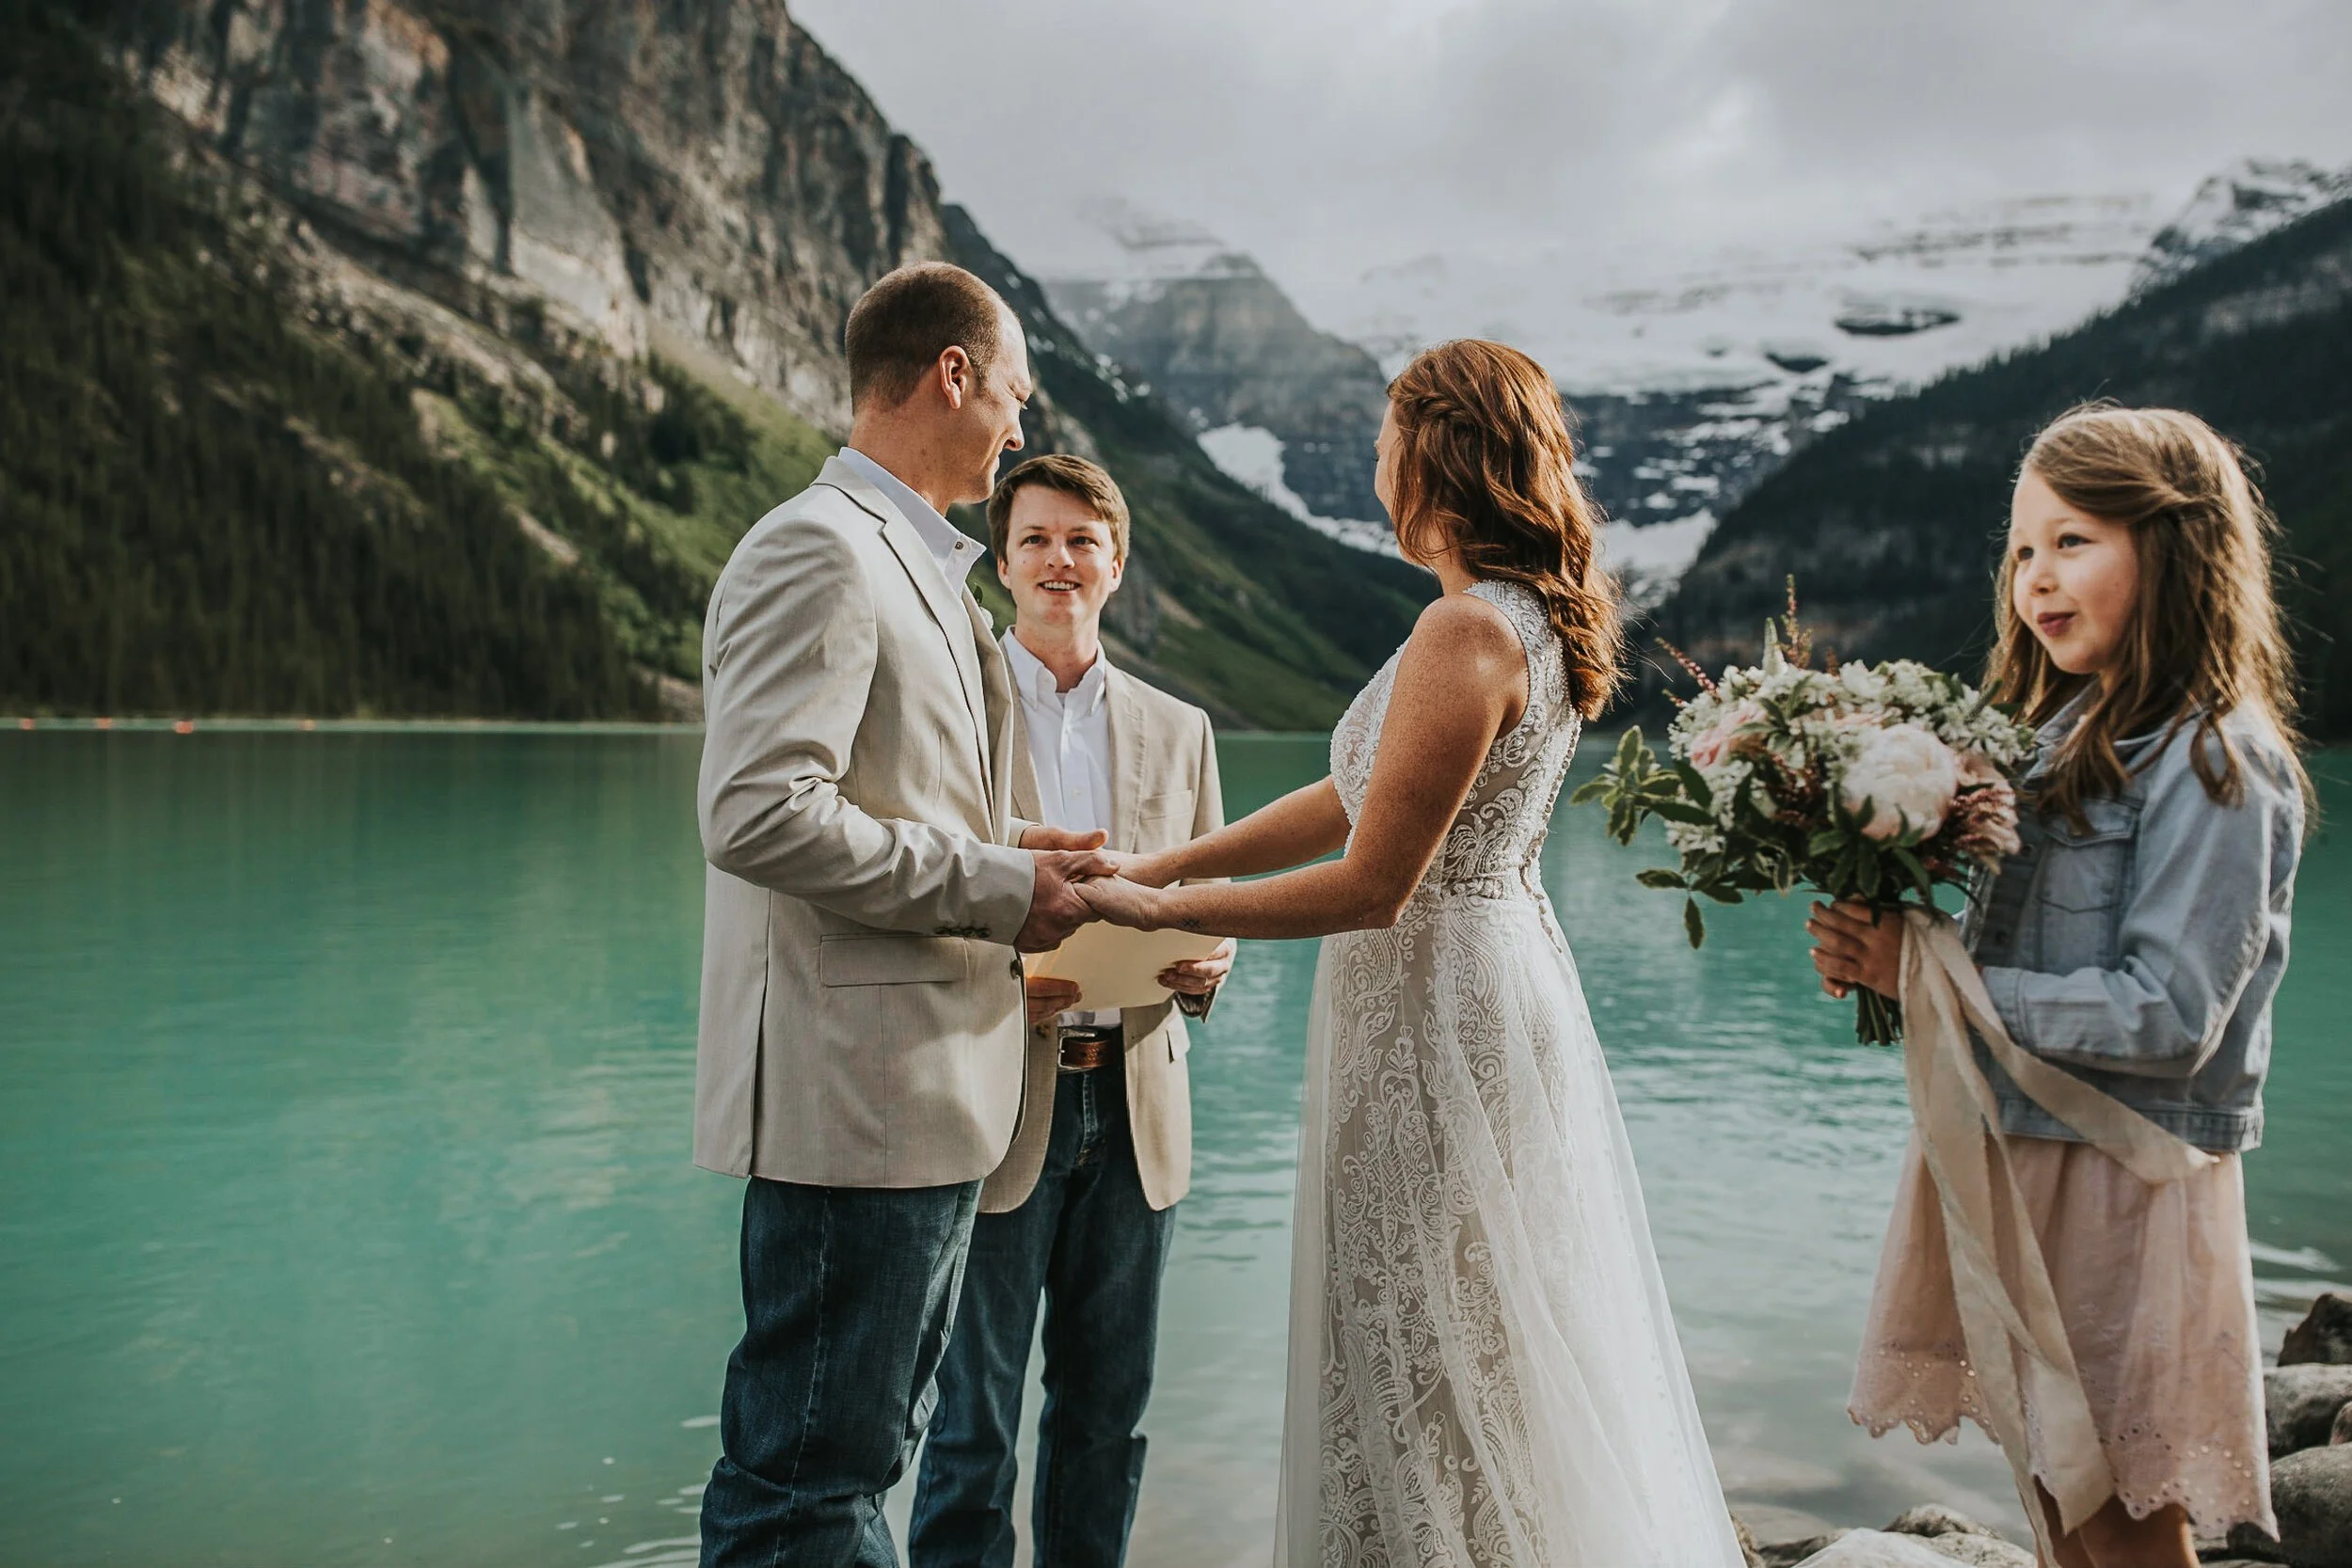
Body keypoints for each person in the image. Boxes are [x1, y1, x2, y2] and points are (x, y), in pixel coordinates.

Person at [1079, 341, 1745, 1565]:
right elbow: (1350, 798)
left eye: (1387, 444)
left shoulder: (1464, 631)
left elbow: (1376, 883)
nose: (1374, 468)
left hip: (1438, 1001)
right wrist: (1170, 863)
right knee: (1467, 1326)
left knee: (1425, 1334)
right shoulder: (1519, 619)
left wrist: (1168, 918)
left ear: (1435, 455)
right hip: (1480, 976)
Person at [1809, 404, 2309, 1568]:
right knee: (2057, 1501)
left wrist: (1933, 977)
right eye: (2023, 548)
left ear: (2177, 550)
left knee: (2124, 1517)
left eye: (2073, 540)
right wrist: (1888, 950)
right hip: (2024, 1144)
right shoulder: (2052, 741)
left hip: (2124, 1173)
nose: (2035, 575)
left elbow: (2170, 1015)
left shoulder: (2214, 758)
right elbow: (2001, 963)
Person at [691, 261, 1117, 1568]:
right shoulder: (815, 544)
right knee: (808, 1488)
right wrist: (1003, 886)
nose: (1015, 425)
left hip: (922, 1102)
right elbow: (760, 812)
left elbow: (902, 800)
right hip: (851, 1110)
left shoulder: (922, 565)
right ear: (954, 374)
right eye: (1015, 392)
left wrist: (1019, 849)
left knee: (854, 1464)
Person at [909, 453, 1235, 1568]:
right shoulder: (947, 708)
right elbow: (916, 887)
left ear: (1116, 561)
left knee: (1107, 1415)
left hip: (1138, 1101)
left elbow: (1201, 902)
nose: (1060, 559)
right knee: (971, 1425)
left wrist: (1209, 962)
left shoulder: (1181, 726)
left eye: (1081, 539)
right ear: (1000, 564)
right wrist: (1004, 977)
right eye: (1037, 539)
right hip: (994, 1097)